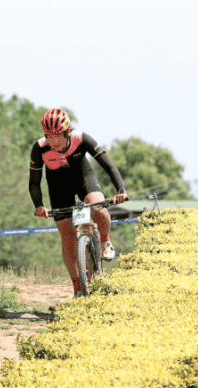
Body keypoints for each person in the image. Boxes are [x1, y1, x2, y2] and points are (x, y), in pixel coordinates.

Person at [29, 108, 128, 296]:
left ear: (67, 132)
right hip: (58, 187)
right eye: (49, 136)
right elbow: (34, 182)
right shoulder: (40, 148)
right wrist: (39, 206)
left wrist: (121, 190)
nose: (54, 141)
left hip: (83, 179)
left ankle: (105, 241)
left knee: (98, 208)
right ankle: (77, 288)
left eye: (58, 136)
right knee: (66, 237)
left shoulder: (82, 139)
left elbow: (108, 165)